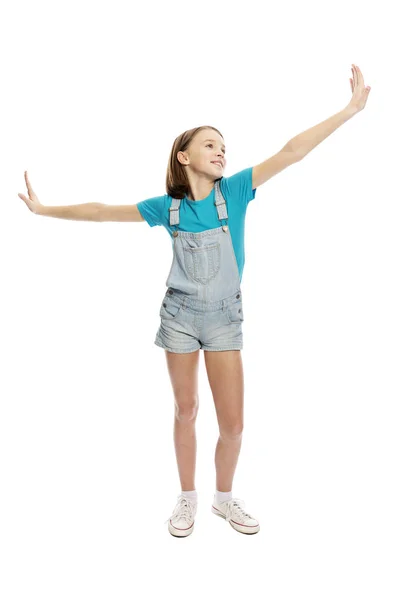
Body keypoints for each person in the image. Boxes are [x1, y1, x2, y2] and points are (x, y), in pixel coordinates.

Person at [17, 65, 371, 538]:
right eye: (209, 144)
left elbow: (292, 151)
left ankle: (224, 501)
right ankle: (187, 499)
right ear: (183, 157)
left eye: (223, 145)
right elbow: (102, 213)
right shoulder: (168, 207)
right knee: (186, 411)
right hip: (180, 318)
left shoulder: (237, 191)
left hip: (225, 319)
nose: (220, 150)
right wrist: (45, 210)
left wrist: (348, 111)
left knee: (235, 425)